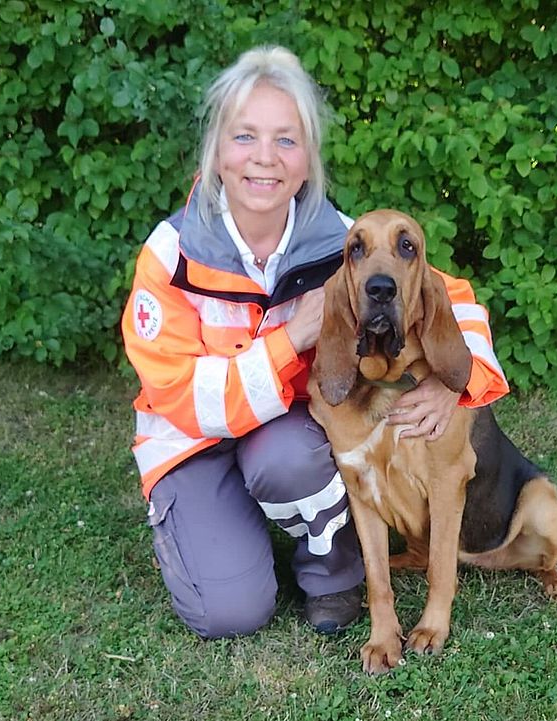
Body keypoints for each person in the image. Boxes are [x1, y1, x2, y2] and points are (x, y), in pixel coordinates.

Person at [121, 46, 510, 640]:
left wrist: (452, 384)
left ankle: (331, 574)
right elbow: (183, 396)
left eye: (286, 140)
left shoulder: (342, 241)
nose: (264, 159)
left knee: (295, 453)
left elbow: (449, 298)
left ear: (307, 161)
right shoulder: (170, 254)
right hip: (193, 443)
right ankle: (205, 528)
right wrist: (293, 337)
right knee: (230, 614)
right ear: (218, 153)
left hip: (278, 436)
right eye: (245, 136)